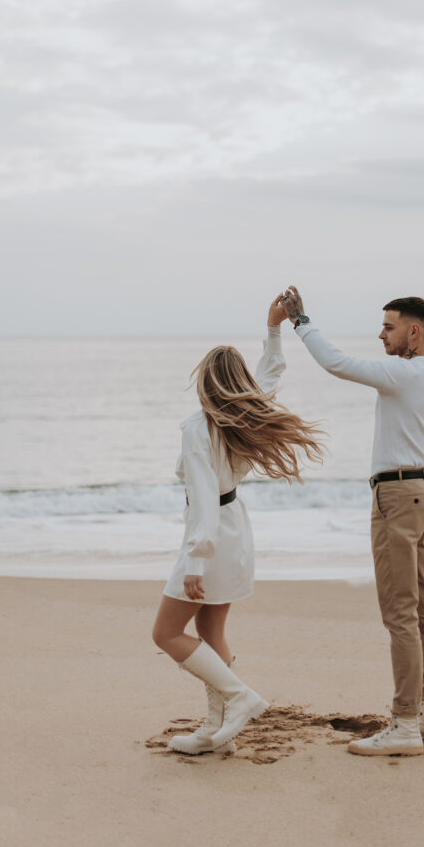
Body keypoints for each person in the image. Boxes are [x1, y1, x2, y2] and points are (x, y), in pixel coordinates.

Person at [282, 286, 424, 757]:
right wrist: (423, 490)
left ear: (414, 332)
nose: (381, 335)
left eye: (389, 326)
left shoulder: (403, 374)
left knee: (400, 611)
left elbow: (337, 363)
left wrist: (301, 322)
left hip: (399, 495)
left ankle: (403, 724)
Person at [152, 294, 323, 755]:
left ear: (205, 382)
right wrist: (272, 330)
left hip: (208, 539)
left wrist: (195, 559)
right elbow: (270, 375)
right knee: (211, 634)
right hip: (235, 531)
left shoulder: (197, 427)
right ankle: (213, 727)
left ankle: (238, 698)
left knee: (165, 633)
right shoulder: (242, 417)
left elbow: (203, 498)